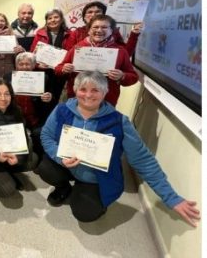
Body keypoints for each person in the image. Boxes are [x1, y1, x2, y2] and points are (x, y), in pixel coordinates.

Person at [38, 71, 201, 226]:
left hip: (94, 178)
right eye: (83, 89)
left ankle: (90, 197)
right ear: (75, 90)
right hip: (67, 165)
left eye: (95, 90)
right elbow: (46, 136)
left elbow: (143, 160)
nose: (88, 95)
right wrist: (60, 157)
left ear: (104, 93)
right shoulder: (62, 110)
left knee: (85, 213)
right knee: (45, 168)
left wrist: (171, 198)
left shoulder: (119, 122)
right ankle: (63, 188)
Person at [55, 15, 138, 106]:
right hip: (77, 100)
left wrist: (122, 76)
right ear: (89, 30)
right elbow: (58, 69)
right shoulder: (78, 48)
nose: (99, 30)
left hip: (106, 101)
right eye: (95, 27)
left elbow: (133, 77)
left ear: (111, 31)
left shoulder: (120, 51)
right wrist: (64, 68)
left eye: (104, 27)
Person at [3, 52, 53, 158]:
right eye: (21, 64)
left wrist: (48, 98)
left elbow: (51, 101)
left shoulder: (44, 78)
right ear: (16, 66)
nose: (24, 67)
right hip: (14, 116)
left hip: (35, 117)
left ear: (33, 65)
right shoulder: (7, 78)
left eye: (28, 64)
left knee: (38, 134)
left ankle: (39, 157)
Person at [70, 1, 142, 57]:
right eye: (90, 12)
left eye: (98, 12)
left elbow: (126, 54)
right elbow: (69, 55)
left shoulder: (113, 32)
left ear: (104, 15)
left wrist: (134, 34)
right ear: (84, 17)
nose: (93, 15)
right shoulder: (76, 33)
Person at [30, 8, 73, 102]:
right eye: (49, 18)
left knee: (58, 99)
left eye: (56, 17)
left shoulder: (70, 34)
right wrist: (38, 65)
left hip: (60, 74)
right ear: (46, 21)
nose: (53, 20)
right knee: (43, 101)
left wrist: (63, 66)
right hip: (43, 73)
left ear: (61, 19)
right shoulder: (39, 33)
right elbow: (33, 53)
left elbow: (71, 54)